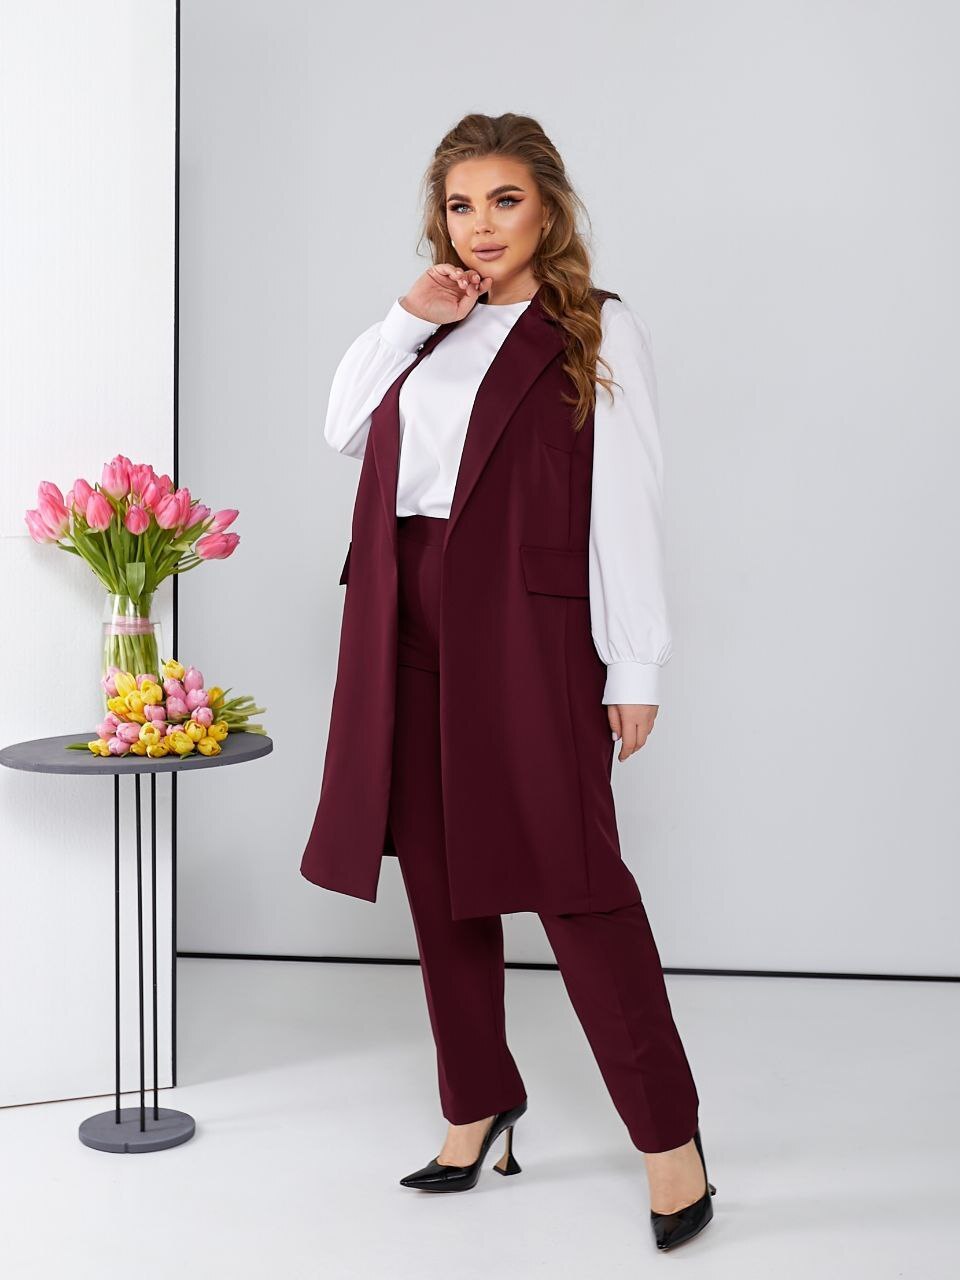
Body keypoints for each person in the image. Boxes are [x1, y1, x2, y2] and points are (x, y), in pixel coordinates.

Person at [301, 112, 717, 1252]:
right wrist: (408, 317)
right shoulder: (425, 328)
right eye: (459, 205)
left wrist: (636, 661)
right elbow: (342, 428)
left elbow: (628, 497)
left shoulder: (596, 326)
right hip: (402, 610)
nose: (480, 226)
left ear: (548, 208)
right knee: (442, 879)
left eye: (504, 201)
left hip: (530, 627)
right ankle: (476, 1100)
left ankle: (669, 1140)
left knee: (577, 879)